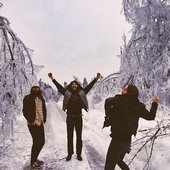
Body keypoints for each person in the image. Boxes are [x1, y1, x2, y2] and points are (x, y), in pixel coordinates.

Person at [103, 84, 159, 170]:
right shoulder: (139, 106)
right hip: (127, 142)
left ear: (129, 92)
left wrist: (109, 114)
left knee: (109, 167)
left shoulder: (119, 100)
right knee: (119, 160)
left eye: (125, 89)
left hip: (116, 141)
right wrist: (155, 103)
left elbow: (107, 101)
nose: (123, 89)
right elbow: (151, 116)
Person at [48, 72, 101, 161]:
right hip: (70, 117)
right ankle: (69, 154)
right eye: (72, 84)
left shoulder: (82, 92)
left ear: (78, 86)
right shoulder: (66, 92)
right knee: (70, 136)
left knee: (79, 137)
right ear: (70, 86)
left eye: (75, 84)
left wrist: (96, 78)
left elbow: (89, 87)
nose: (74, 85)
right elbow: (59, 87)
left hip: (79, 117)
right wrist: (52, 79)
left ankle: (79, 154)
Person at [23, 86, 47, 169]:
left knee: (42, 141)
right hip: (32, 123)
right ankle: (33, 162)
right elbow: (25, 111)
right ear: (31, 89)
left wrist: (44, 119)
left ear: (39, 89)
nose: (36, 89)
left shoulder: (41, 98)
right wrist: (31, 120)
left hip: (40, 123)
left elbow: (44, 109)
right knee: (36, 142)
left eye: (37, 88)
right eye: (34, 88)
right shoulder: (27, 98)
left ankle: (35, 158)